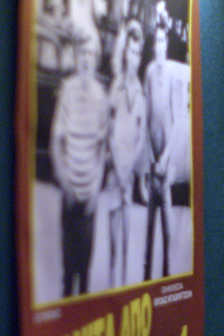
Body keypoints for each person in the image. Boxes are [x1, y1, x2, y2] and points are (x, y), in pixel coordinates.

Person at [49, 28, 109, 297]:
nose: (86, 58)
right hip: (69, 192)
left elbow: (102, 148)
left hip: (90, 196)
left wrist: (95, 189)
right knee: (67, 271)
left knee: (84, 273)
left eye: (91, 53)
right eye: (82, 52)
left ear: (96, 59)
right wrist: (64, 181)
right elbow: (55, 141)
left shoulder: (101, 97)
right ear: (76, 56)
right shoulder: (67, 90)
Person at [106, 19, 147, 288]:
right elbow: (110, 130)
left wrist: (129, 166)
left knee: (126, 237)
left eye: (138, 53)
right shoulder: (116, 85)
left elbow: (141, 135)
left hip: (128, 173)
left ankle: (122, 281)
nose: (134, 58)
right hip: (115, 171)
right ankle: (111, 282)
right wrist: (118, 167)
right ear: (125, 54)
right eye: (131, 52)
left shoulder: (141, 94)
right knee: (112, 240)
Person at [143, 21, 176, 280]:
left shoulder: (172, 76)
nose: (160, 45)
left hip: (166, 168)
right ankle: (146, 278)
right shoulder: (149, 73)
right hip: (152, 167)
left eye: (163, 41)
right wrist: (152, 160)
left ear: (167, 45)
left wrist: (164, 158)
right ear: (154, 46)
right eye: (157, 41)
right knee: (148, 231)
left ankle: (167, 277)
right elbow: (145, 119)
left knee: (168, 232)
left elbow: (175, 124)